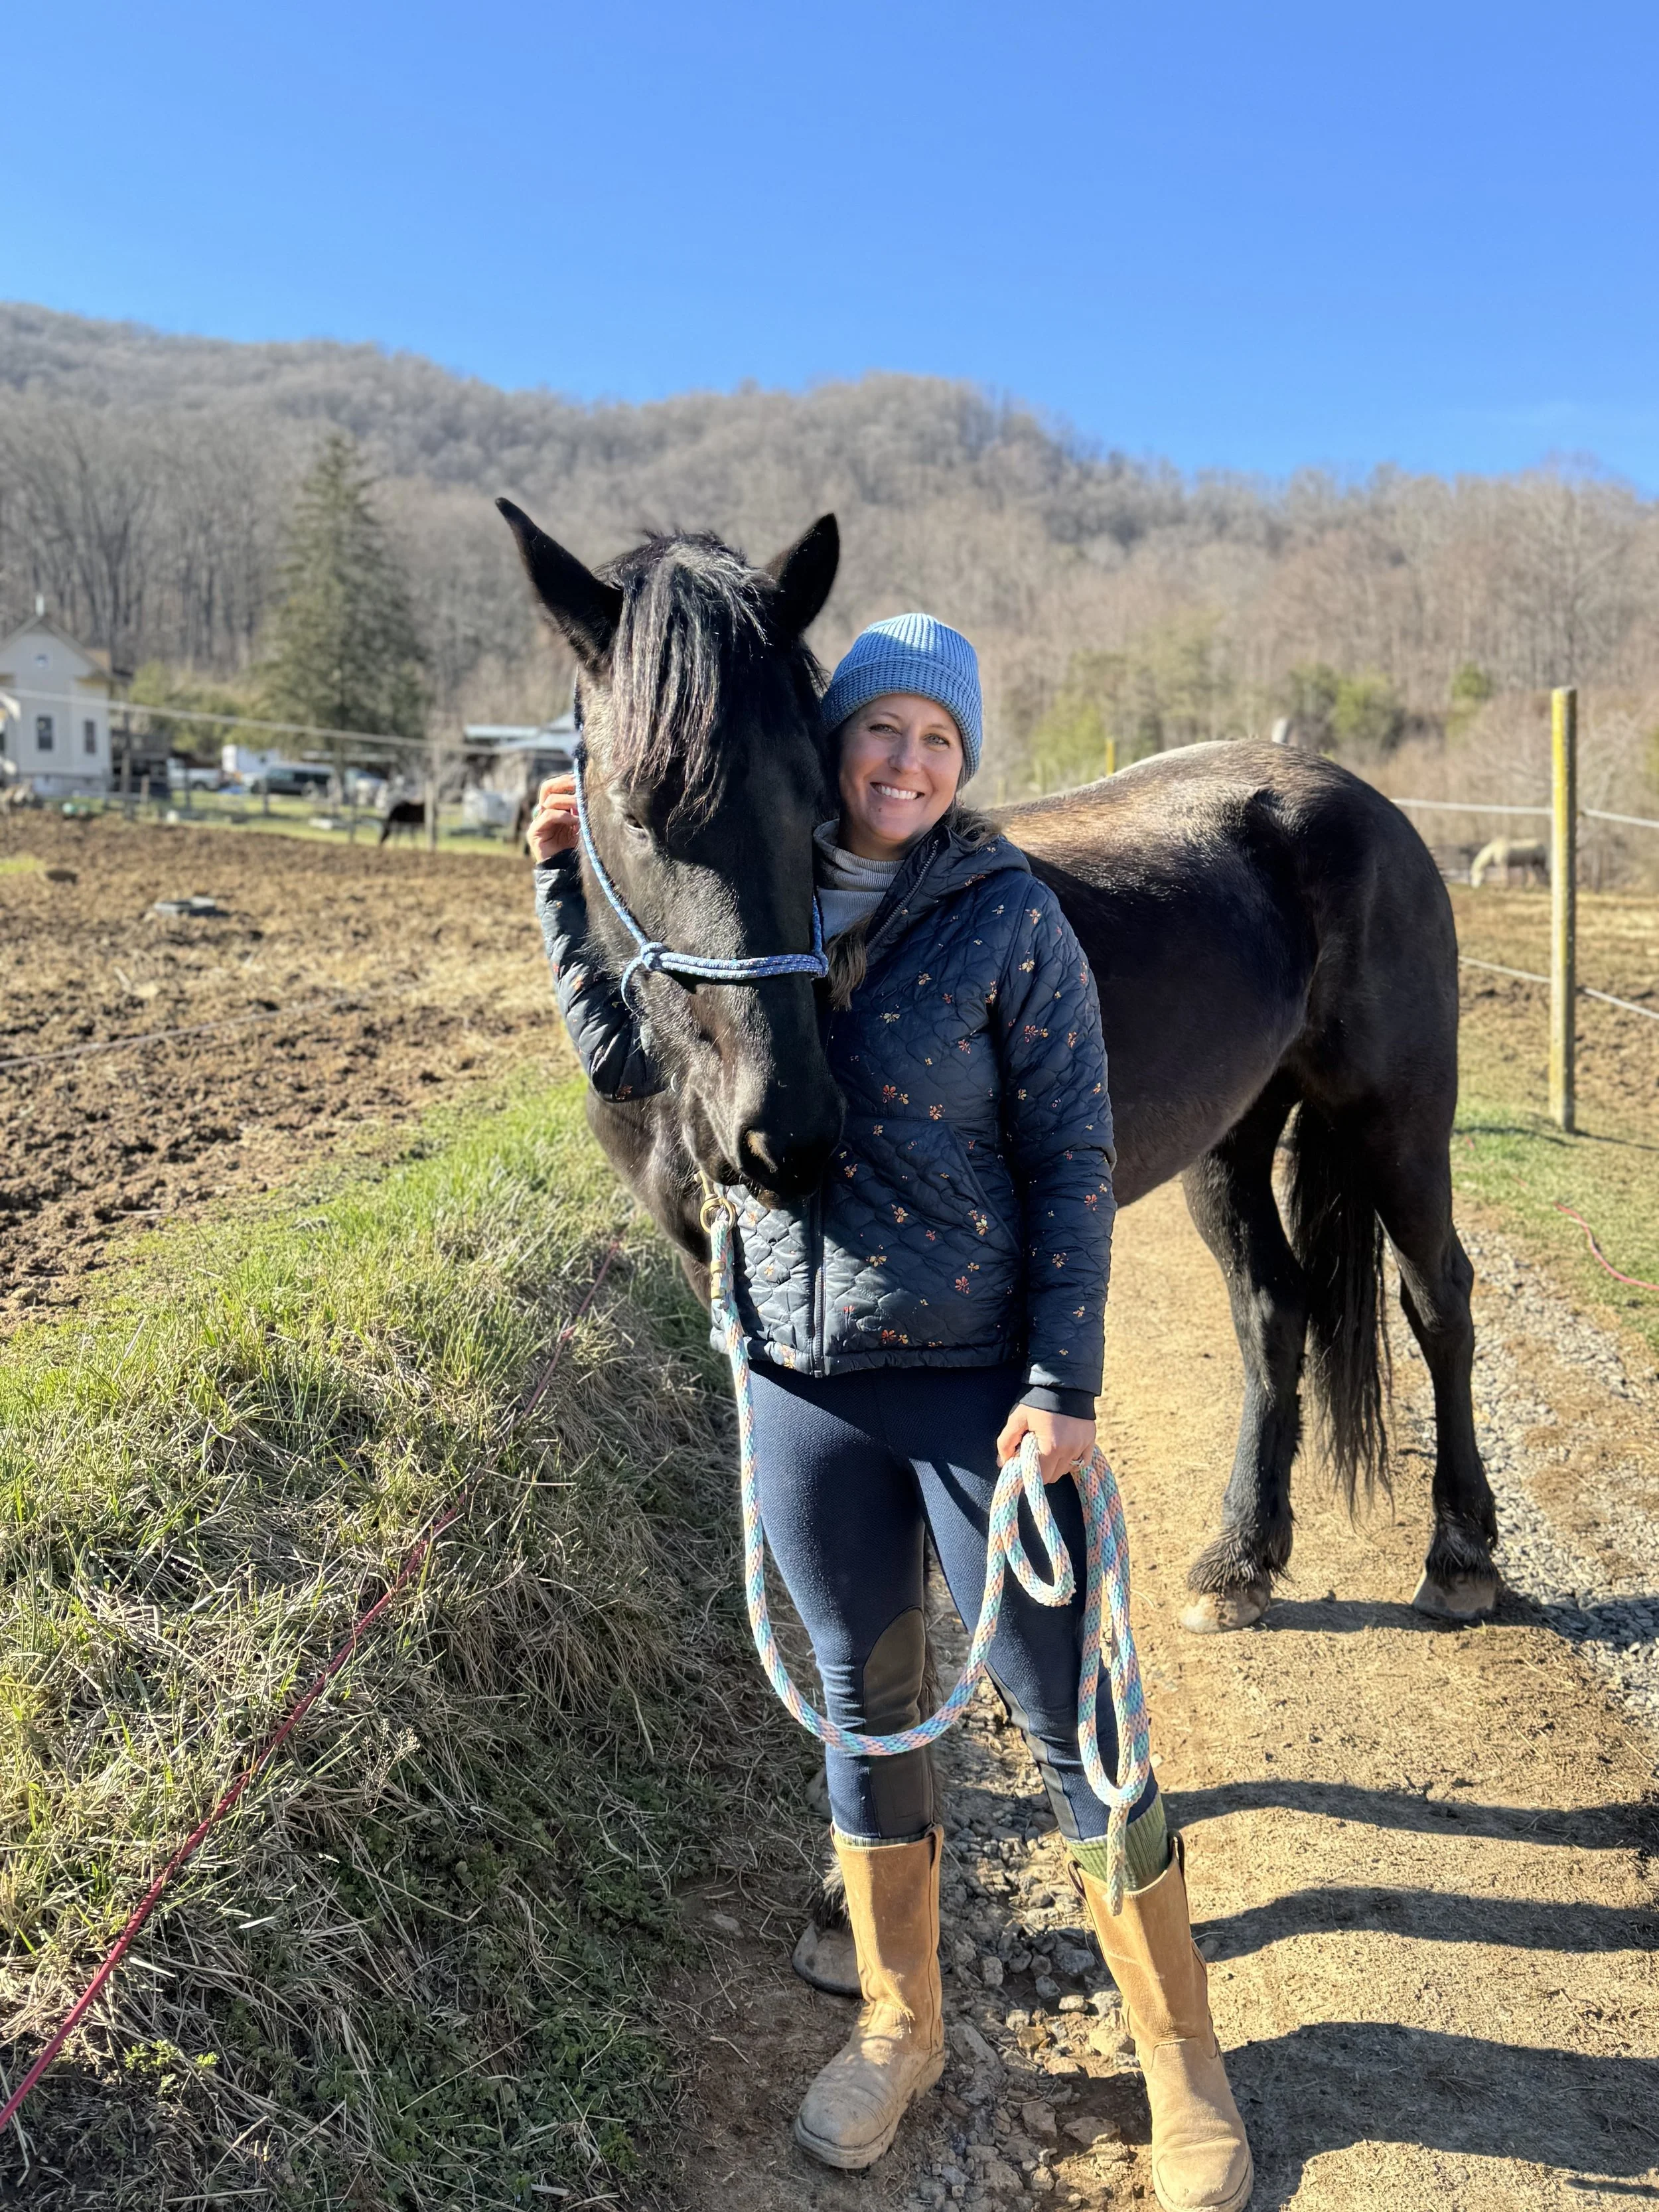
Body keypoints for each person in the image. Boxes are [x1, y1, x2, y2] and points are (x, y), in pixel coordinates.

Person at [530, 614, 1253, 2211]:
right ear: (830, 749)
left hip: (978, 1392)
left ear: (963, 761)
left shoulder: (1004, 923)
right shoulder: (748, 915)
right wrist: (553, 882)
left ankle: (1181, 2061)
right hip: (796, 1385)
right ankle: (896, 2019)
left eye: (939, 740)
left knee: (1078, 1717)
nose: (908, 763)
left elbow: (1074, 1165)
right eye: (883, 734)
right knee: (865, 1711)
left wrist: (1062, 1385)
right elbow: (624, 1057)